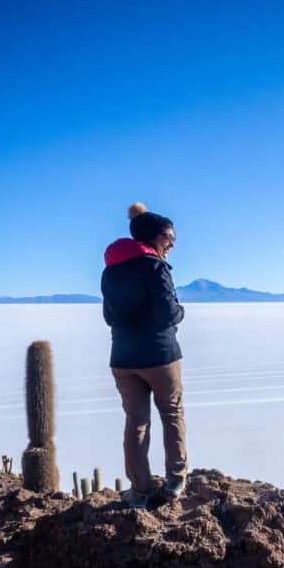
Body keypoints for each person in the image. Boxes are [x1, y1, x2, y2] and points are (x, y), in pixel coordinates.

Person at [101, 202, 187, 508]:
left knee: (136, 422)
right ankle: (175, 481)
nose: (172, 242)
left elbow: (109, 317)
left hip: (123, 358)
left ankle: (140, 490)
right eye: (168, 236)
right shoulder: (155, 267)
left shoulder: (110, 271)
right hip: (160, 355)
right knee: (172, 413)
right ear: (151, 237)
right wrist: (181, 312)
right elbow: (167, 313)